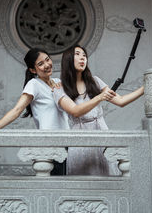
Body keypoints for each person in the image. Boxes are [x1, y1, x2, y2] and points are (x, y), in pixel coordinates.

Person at [0, 48, 70, 175]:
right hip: (50, 143)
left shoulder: (58, 82)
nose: (47, 65)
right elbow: (17, 109)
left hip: (67, 140)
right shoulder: (34, 84)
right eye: (40, 64)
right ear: (33, 70)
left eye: (47, 60)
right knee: (56, 183)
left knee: (66, 180)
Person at [53, 45, 144, 175]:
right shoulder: (59, 88)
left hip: (102, 132)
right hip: (80, 138)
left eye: (84, 55)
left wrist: (145, 88)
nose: (82, 58)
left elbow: (121, 101)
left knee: (108, 174)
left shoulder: (94, 81)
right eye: (77, 54)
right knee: (84, 180)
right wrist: (99, 97)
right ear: (67, 59)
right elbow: (75, 111)